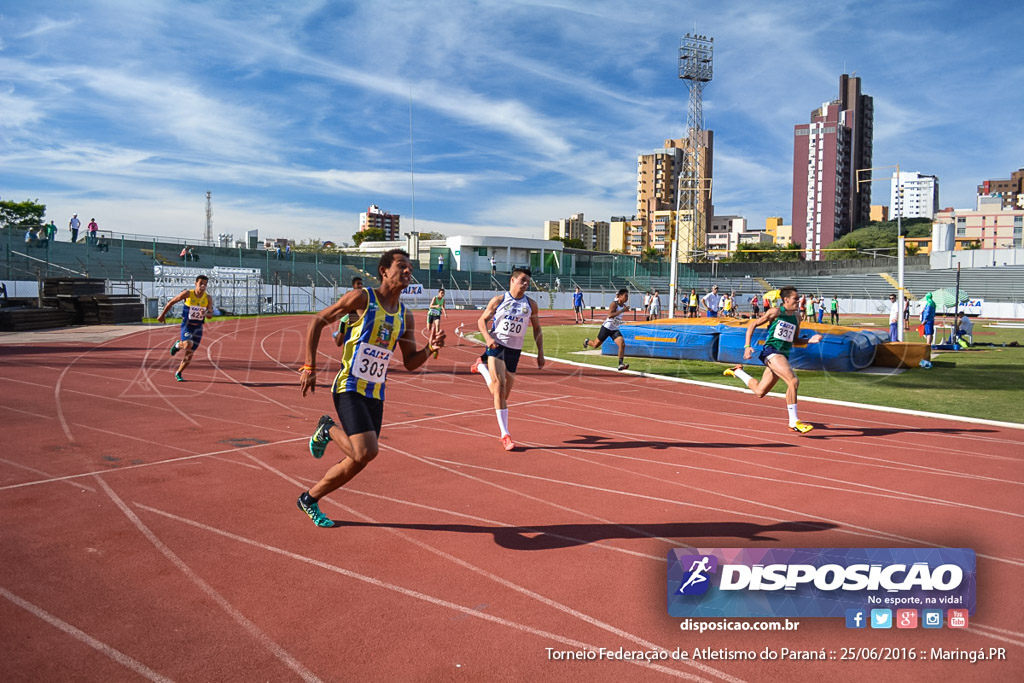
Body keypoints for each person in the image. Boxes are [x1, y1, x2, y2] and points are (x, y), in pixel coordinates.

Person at [298, 249, 445, 528]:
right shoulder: (363, 298)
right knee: (366, 451)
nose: (407, 271)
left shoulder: (406, 315)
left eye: (410, 267)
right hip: (349, 385)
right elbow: (317, 321)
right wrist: (309, 367)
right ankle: (327, 428)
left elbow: (411, 362)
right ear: (383, 271)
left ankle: (309, 498)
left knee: (358, 459)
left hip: (376, 393)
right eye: (401, 266)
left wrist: (430, 348)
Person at [723, 286, 823, 434]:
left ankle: (737, 372)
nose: (799, 301)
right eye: (796, 299)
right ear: (786, 300)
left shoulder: (797, 317)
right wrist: (747, 346)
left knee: (760, 391)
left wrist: (809, 340)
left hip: (782, 355)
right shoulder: (775, 312)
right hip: (771, 352)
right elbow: (753, 325)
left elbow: (794, 340)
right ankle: (794, 421)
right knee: (793, 381)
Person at [470, 267, 545, 451]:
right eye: (522, 280)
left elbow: (536, 328)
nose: (525, 284)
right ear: (512, 281)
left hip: (514, 351)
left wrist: (540, 353)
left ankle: (481, 367)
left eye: (528, 281)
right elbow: (482, 321)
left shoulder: (531, 305)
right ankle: (505, 435)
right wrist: (488, 339)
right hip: (497, 346)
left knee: (502, 395)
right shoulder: (499, 300)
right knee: (499, 386)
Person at [157, 274, 215, 382]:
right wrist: (162, 315)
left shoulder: (208, 298)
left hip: (198, 327)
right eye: (201, 283)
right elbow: (171, 302)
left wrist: (206, 312)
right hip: (187, 325)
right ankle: (178, 344)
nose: (203, 286)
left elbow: (210, 316)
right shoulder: (188, 294)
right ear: (195, 284)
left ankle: (178, 373)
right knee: (188, 344)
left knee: (190, 353)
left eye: (205, 284)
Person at [583, 288, 631, 371]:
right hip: (606, 328)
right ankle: (587, 341)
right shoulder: (614, 304)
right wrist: (622, 310)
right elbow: (610, 315)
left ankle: (620, 364)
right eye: (625, 296)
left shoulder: (623, 306)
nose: (627, 298)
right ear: (620, 296)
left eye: (627, 296)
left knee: (622, 344)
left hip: (614, 329)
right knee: (595, 345)